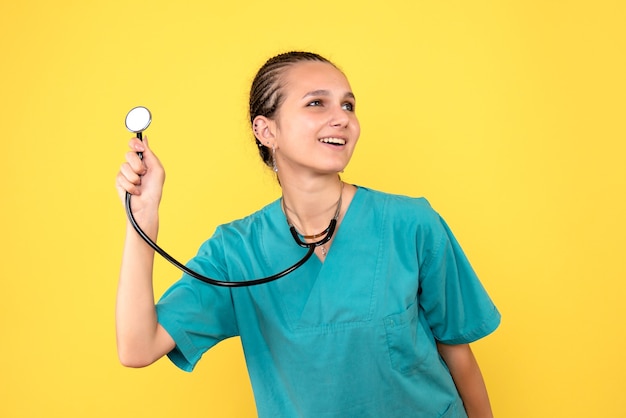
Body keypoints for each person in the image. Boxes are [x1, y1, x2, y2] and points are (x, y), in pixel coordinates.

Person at [115, 51, 501, 418]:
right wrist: (142, 223)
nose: (342, 118)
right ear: (267, 130)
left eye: (348, 105)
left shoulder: (410, 223)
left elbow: (457, 351)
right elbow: (137, 347)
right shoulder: (236, 252)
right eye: (317, 103)